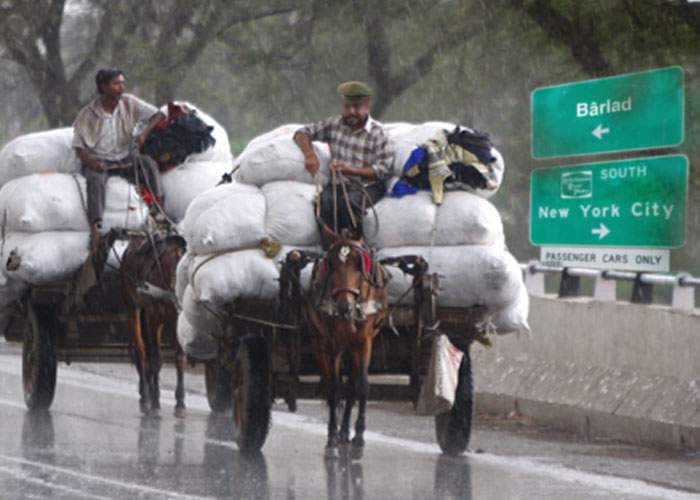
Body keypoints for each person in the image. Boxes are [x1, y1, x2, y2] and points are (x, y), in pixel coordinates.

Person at [294, 81, 393, 248]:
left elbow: (383, 170)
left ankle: (357, 248)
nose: (351, 112)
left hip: (368, 186)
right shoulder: (334, 125)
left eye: (357, 107)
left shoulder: (379, 133)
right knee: (323, 203)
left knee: (348, 203)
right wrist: (310, 155)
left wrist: (351, 170)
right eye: (347, 107)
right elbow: (302, 133)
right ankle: (330, 253)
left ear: (367, 106)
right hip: (338, 184)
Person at [73, 68, 165, 245]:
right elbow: (79, 148)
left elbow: (158, 115)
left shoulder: (129, 103)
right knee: (95, 182)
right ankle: (96, 229)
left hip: (124, 159)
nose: (121, 87)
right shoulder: (87, 114)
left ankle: (158, 212)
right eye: (116, 84)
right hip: (99, 161)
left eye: (122, 83)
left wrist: (144, 133)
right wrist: (92, 162)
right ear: (103, 86)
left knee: (147, 164)